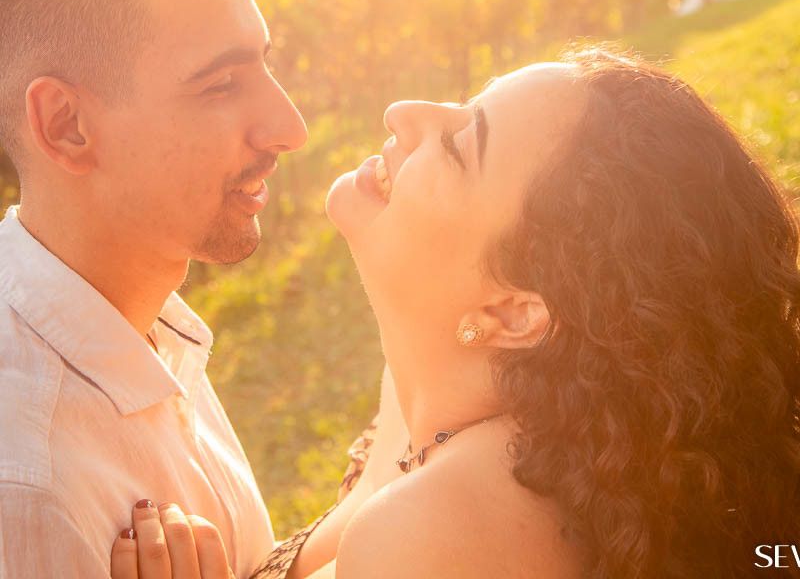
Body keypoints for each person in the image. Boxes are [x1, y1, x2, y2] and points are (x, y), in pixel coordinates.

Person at [112, 48, 800, 578]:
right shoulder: (450, 402)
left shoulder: (436, 534)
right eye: (463, 105)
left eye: (458, 145)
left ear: (513, 313)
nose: (404, 112)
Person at [0, 0, 309, 577]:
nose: (289, 127)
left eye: (264, 66)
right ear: (67, 125)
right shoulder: (29, 488)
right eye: (221, 85)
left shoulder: (140, 323)